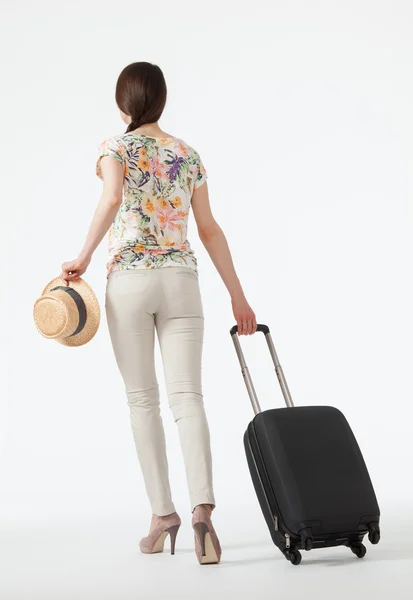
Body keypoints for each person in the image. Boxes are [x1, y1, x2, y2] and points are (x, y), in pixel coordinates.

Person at [60, 61, 257, 565]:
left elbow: (110, 201)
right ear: (161, 101)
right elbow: (209, 229)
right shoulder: (186, 154)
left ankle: (162, 513)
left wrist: (82, 256)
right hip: (182, 281)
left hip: (129, 279)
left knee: (142, 401)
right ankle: (202, 513)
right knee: (188, 397)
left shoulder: (115, 148)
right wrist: (238, 294)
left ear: (125, 103)